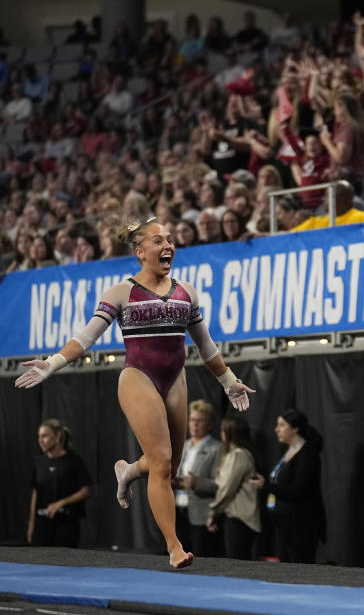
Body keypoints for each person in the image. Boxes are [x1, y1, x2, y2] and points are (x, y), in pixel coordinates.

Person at [14, 217, 254, 569]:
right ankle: (175, 548)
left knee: (167, 468)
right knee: (160, 462)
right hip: (138, 378)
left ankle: (128, 472)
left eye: (169, 239)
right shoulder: (121, 292)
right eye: (158, 241)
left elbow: (205, 346)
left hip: (175, 379)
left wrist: (229, 381)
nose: (168, 245)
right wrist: (50, 364)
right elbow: (85, 338)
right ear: (140, 251)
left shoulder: (187, 291)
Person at [250, 409, 325, 564]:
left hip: (301, 524)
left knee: (300, 567)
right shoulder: (290, 451)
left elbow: (299, 489)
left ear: (295, 428)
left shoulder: (307, 453)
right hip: (284, 522)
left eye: (282, 425)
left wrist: (267, 486)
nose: (277, 429)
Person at [27, 420, 92, 547]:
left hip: (66, 524)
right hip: (42, 525)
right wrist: (31, 524)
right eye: (39, 436)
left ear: (57, 437)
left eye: (45, 436)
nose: (41, 440)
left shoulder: (74, 461)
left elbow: (85, 491)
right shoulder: (39, 462)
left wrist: (61, 503)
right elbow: (35, 493)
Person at [207, 415, 261, 560]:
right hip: (235, 518)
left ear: (229, 433)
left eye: (223, 430)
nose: (221, 434)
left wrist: (213, 513)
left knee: (238, 565)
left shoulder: (239, 455)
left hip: (240, 520)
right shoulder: (234, 455)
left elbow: (226, 489)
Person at [175, 401, 222, 557]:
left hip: (201, 516)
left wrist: (197, 483)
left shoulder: (218, 449)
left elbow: (220, 485)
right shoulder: (182, 445)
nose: (194, 424)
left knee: (201, 561)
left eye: (199, 420)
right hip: (177, 512)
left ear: (209, 425)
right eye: (192, 420)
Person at [291, 181, 364, 231]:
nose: (323, 199)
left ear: (342, 200)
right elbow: (288, 237)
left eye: (327, 196)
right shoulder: (316, 222)